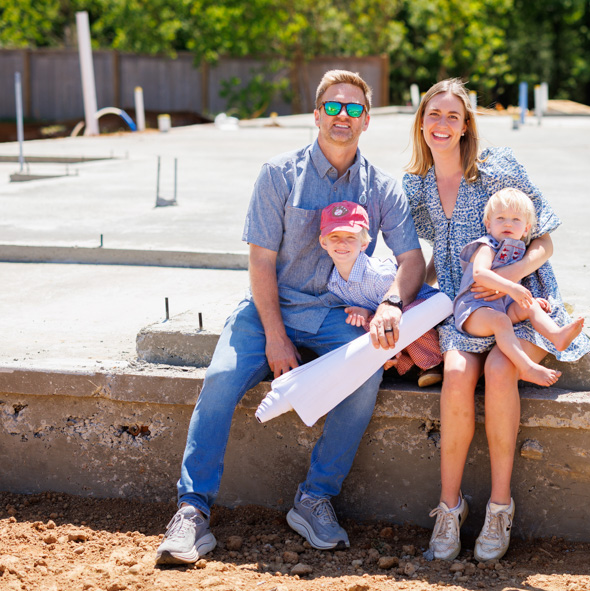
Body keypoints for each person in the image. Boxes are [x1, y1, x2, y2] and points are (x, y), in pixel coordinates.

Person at [155, 70, 425, 565]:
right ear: (317, 114)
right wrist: (276, 338)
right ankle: (192, 513)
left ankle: (314, 499)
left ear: (366, 121)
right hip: (268, 310)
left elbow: (411, 259)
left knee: (365, 376)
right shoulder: (278, 174)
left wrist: (389, 303)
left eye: (355, 109)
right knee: (218, 381)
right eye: (334, 107)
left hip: (335, 316)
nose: (343, 116)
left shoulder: (382, 186)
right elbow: (260, 260)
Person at [403, 78, 590, 562]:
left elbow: (544, 240)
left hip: (524, 298)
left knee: (500, 369)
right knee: (457, 374)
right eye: (434, 114)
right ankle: (449, 508)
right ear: (421, 121)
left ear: (466, 125)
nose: (442, 124)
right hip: (466, 308)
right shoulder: (417, 184)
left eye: (453, 116)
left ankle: (500, 506)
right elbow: (435, 256)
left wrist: (505, 277)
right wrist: (410, 304)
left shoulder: (497, 169)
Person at [454, 187, 585, 386]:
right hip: (474, 311)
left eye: (516, 220)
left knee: (530, 306)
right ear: (488, 225)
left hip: (502, 306)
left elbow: (513, 290)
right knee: (500, 321)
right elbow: (479, 274)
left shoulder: (518, 250)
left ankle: (556, 335)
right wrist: (512, 288)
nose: (508, 223)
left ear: (526, 229)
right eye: (501, 218)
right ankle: (525, 367)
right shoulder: (486, 246)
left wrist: (527, 298)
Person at [319, 200, 443, 387]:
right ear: (323, 242)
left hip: (427, 313)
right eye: (334, 236)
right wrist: (365, 312)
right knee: (368, 325)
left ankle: (434, 363)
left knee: (397, 317)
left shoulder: (379, 276)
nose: (342, 243)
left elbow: (395, 306)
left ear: (363, 244)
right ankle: (409, 367)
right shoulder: (333, 283)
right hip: (391, 323)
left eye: (350, 237)